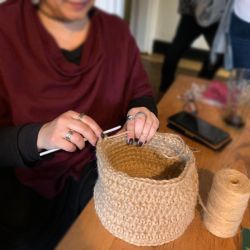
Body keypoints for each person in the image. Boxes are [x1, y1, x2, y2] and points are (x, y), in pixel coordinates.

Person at [0, 0, 159, 249]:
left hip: (110, 173)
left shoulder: (115, 31)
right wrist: (40, 136)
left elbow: (140, 92)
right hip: (31, 194)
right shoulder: (6, 28)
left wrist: (142, 112)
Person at [159, 0, 223, 93]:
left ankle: (199, 85)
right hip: (198, 12)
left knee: (217, 55)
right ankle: (166, 88)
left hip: (213, 14)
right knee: (175, 51)